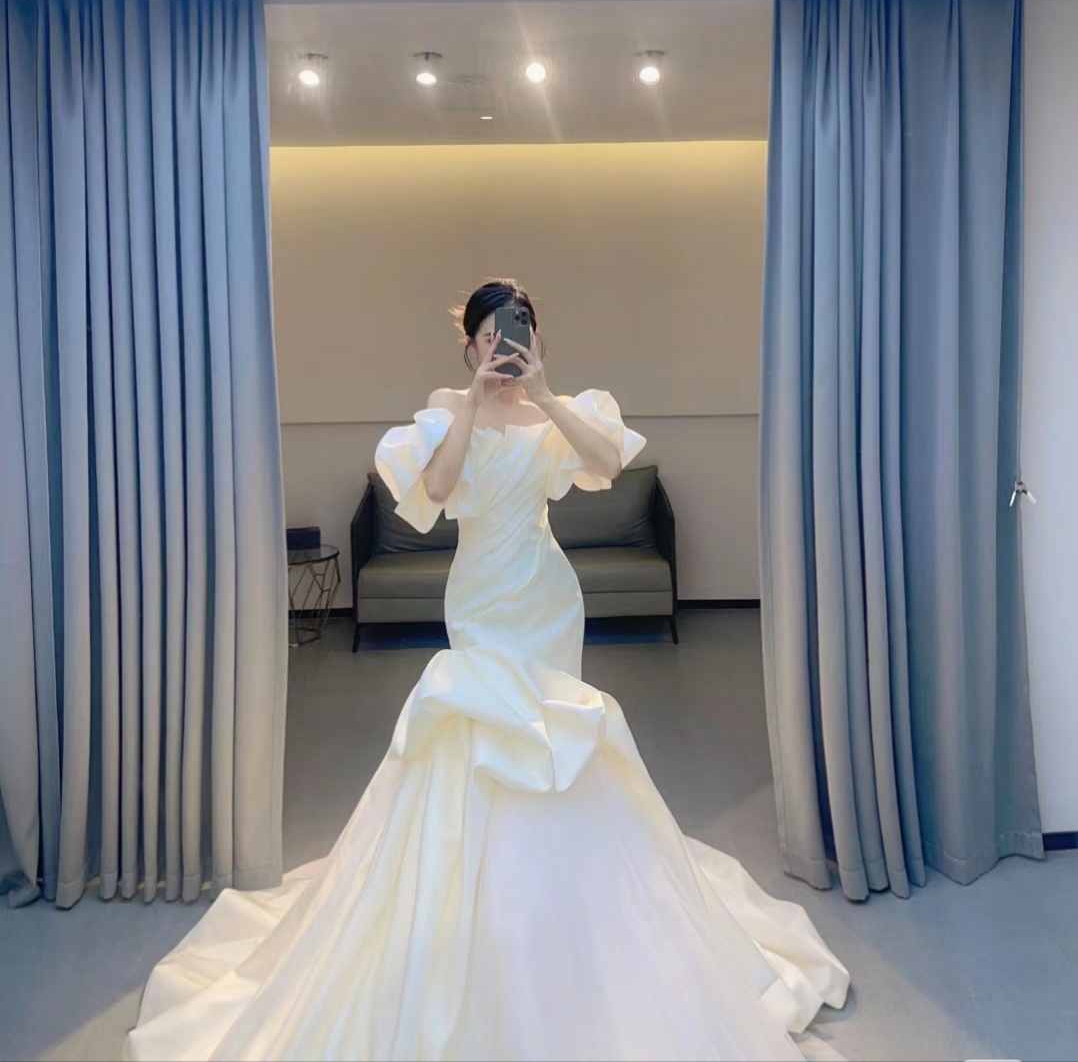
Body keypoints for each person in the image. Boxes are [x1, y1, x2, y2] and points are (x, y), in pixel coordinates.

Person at [124, 279, 849, 1062]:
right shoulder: (448, 406)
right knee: (478, 731)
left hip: (546, 594)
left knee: (554, 738)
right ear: (470, 342)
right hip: (481, 594)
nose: (507, 340)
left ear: (537, 337)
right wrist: (474, 399)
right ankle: (474, 911)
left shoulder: (559, 407)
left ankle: (561, 907)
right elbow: (437, 489)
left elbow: (607, 461)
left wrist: (547, 393)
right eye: (493, 332)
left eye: (522, 326)